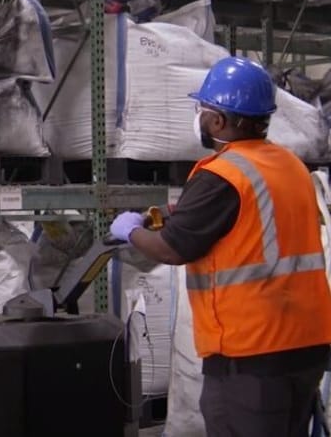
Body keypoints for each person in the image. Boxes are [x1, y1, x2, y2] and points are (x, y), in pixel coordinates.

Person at [109, 56, 331, 437]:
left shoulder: (222, 175)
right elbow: (252, 222)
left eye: (203, 109)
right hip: (306, 345)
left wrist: (129, 231)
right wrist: (181, 212)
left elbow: (171, 249)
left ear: (218, 120)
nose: (198, 116)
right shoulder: (291, 166)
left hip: (251, 354)